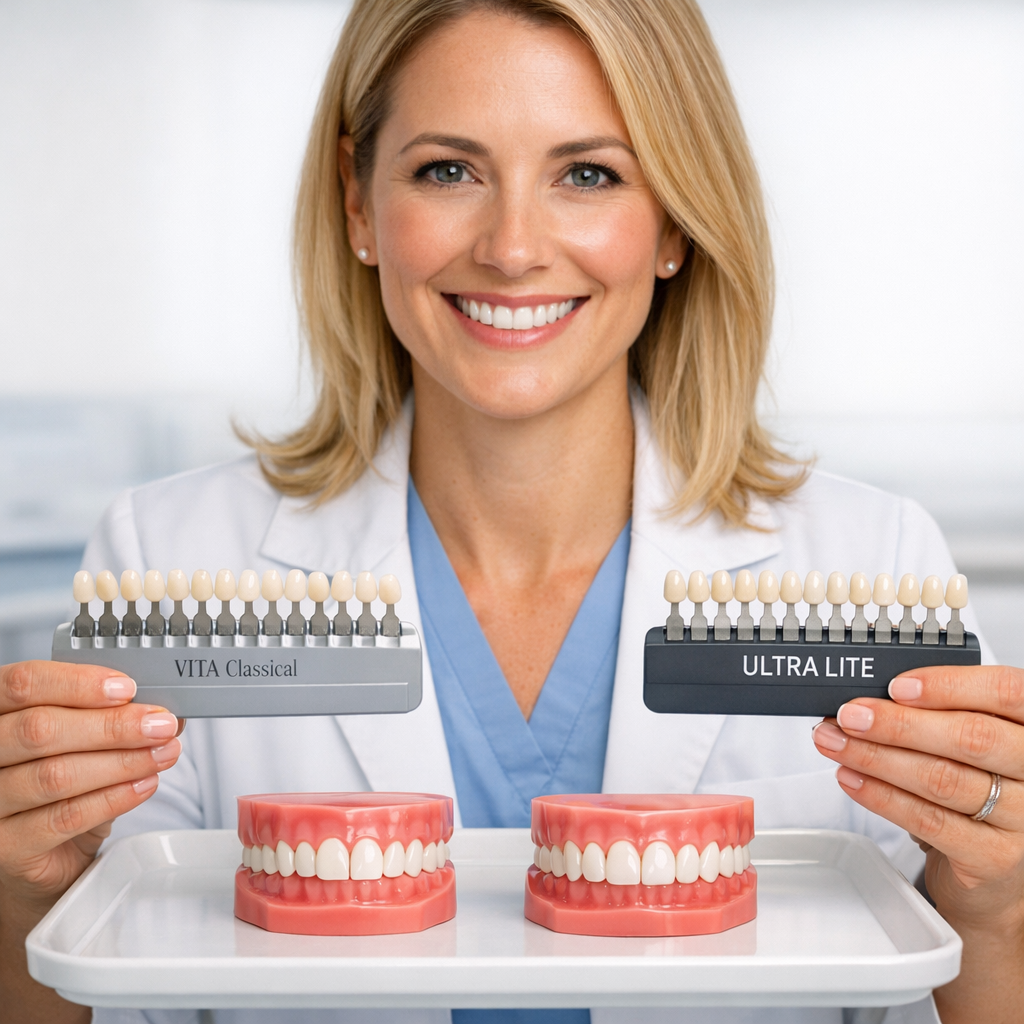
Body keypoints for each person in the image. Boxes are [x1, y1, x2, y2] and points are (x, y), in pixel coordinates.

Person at [1, 1, 1021, 1022]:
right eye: (449, 170)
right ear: (358, 204)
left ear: (674, 219)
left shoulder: (876, 562)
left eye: (590, 175)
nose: (513, 248)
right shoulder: (165, 557)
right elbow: (110, 991)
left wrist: (994, 912)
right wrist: (24, 898)